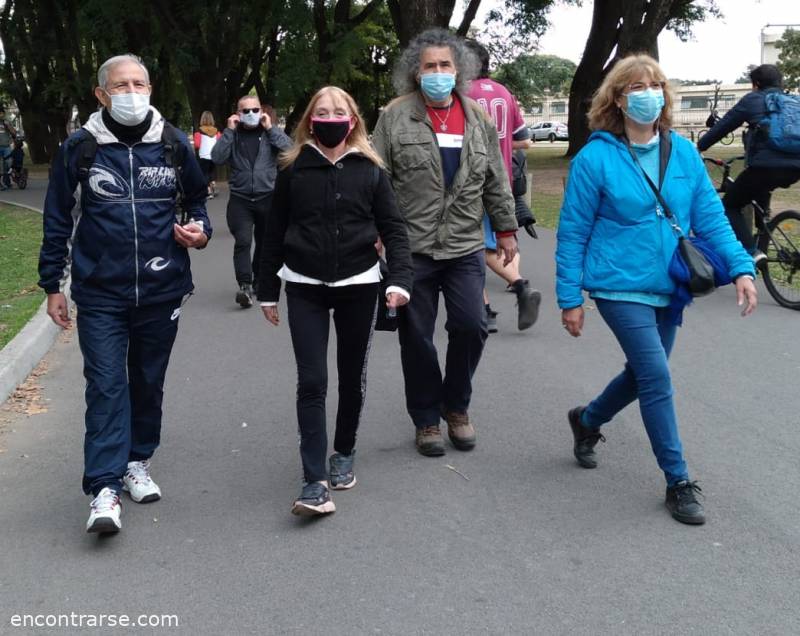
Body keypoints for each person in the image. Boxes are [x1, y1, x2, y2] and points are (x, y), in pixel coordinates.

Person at [556, 54, 757, 525]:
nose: (648, 92)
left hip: (671, 281)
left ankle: (587, 420)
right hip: (617, 284)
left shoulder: (683, 152)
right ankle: (678, 479)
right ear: (618, 98)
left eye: (655, 85)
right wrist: (570, 298)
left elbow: (710, 217)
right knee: (657, 377)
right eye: (636, 86)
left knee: (645, 372)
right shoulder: (596, 157)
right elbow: (571, 232)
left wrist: (742, 269)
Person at [38, 54, 212, 534]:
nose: (130, 92)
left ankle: (138, 461)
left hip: (162, 288)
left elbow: (198, 201)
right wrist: (52, 283)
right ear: (101, 94)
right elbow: (56, 217)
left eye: (138, 83)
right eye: (120, 85)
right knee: (107, 386)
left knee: (147, 381)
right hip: (100, 292)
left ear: (151, 88)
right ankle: (104, 488)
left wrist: (200, 231)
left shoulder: (175, 144)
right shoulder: (80, 147)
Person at [257, 86, 412, 516]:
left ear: (354, 121)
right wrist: (266, 289)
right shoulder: (292, 170)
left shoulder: (371, 170)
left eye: (339, 112)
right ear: (309, 121)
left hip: (359, 285)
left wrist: (399, 280)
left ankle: (343, 450)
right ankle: (313, 480)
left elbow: (395, 229)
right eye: (322, 112)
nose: (330, 118)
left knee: (350, 376)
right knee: (312, 381)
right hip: (304, 284)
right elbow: (273, 232)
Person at [372, 28, 518, 457]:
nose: (438, 73)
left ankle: (456, 407)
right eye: (429, 66)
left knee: (471, 325)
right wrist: (378, 231)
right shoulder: (394, 116)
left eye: (445, 66)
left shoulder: (477, 117)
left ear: (460, 71)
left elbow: (495, 176)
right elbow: (377, 177)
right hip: (410, 246)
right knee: (416, 336)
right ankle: (425, 419)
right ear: (416, 74)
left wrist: (506, 227)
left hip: (464, 244)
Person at [464, 39, 541, 333]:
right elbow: (524, 139)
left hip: (472, 180)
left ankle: (516, 287)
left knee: (471, 243)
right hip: (503, 179)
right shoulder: (503, 92)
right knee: (497, 238)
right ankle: (487, 306)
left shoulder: (462, 93)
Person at [697, 64, 800, 265]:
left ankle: (754, 252)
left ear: (756, 84)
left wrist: (698, 147)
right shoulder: (794, 102)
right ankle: (764, 232)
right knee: (761, 187)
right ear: (780, 83)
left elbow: (723, 127)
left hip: (764, 167)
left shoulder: (752, 100)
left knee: (730, 205)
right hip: (796, 167)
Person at [211, 95, 292, 308]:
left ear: (262, 112)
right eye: (245, 111)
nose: (250, 114)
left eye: (255, 110)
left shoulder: (270, 134)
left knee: (265, 244)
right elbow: (217, 157)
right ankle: (245, 285)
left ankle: (259, 280)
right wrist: (228, 131)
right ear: (237, 114)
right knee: (244, 241)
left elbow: (290, 151)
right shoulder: (233, 135)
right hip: (241, 199)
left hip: (268, 197)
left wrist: (272, 128)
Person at [193, 110, 220, 199]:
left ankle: (208, 191)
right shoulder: (217, 131)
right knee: (211, 171)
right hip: (214, 155)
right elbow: (220, 142)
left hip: (203, 156)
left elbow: (197, 145)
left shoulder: (199, 131)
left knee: (204, 173)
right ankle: (214, 185)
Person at [0, 108, 18, 190]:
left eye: (2, 113)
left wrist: (8, 126)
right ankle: (2, 183)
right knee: (0, 166)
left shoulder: (6, 122)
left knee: (9, 163)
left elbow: (14, 133)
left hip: (6, 146)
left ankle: (7, 181)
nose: (1, 115)